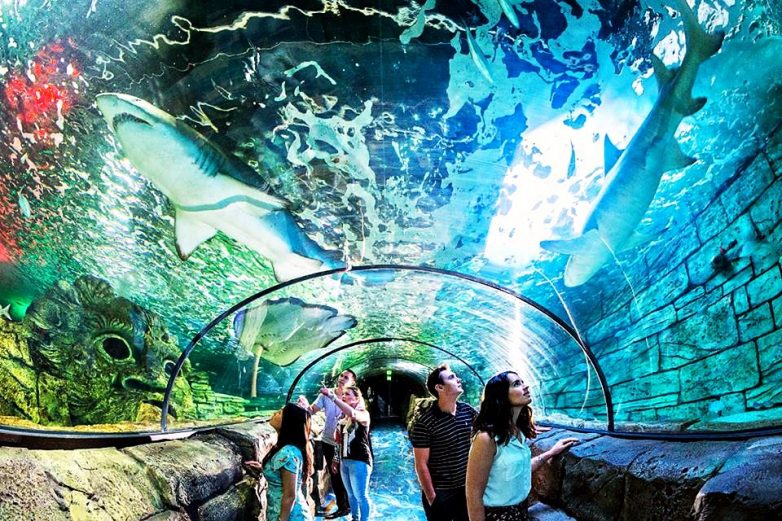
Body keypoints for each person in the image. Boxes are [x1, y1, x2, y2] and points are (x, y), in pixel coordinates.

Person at [465, 371, 579, 521]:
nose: (526, 386)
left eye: (522, 382)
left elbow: (521, 469)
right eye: (516, 384)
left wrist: (551, 453)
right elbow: (473, 494)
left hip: (521, 511)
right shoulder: (486, 438)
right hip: (497, 516)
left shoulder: (517, 431)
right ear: (501, 395)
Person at [410, 364, 478, 521]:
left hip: (467, 488)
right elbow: (421, 464)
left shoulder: (467, 411)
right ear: (439, 387)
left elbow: (489, 429)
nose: (458, 379)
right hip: (441, 492)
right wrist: (432, 498)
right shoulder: (425, 422)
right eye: (452, 377)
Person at [307, 369, 357, 519]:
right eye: (341, 376)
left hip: (347, 442)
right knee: (335, 476)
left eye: (346, 377)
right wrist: (303, 406)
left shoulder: (352, 396)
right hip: (329, 440)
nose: (342, 378)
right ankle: (343, 507)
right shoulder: (326, 394)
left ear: (352, 382)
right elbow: (312, 410)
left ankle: (352, 506)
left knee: (348, 475)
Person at [320, 384, 373, 521]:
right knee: (350, 494)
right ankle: (355, 518)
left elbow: (353, 414)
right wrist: (336, 459)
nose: (344, 396)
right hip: (345, 461)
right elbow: (338, 442)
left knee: (361, 496)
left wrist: (332, 397)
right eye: (343, 394)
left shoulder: (363, 414)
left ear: (357, 398)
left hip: (360, 460)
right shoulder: (342, 419)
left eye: (348, 394)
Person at [257, 403, 315, 521]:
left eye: (279, 413)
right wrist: (263, 468)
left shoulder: (287, 454)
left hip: (290, 516)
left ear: (288, 422)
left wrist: (282, 520)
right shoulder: (286, 448)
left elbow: (290, 495)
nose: (274, 413)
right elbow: (281, 474)